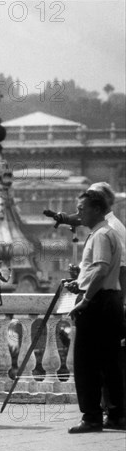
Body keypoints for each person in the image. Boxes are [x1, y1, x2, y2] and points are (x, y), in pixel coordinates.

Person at [66, 190, 124, 433]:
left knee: (87, 362)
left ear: (97, 209)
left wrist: (85, 298)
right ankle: (116, 414)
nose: (78, 213)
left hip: (97, 302)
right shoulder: (107, 233)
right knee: (110, 361)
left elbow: (100, 269)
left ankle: (91, 416)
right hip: (110, 300)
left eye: (82, 208)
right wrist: (79, 281)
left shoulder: (100, 235)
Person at [86, 182, 126, 429]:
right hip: (112, 297)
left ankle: (112, 413)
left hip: (108, 299)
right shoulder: (112, 226)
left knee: (105, 361)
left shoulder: (108, 229)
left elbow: (114, 268)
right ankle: (113, 413)